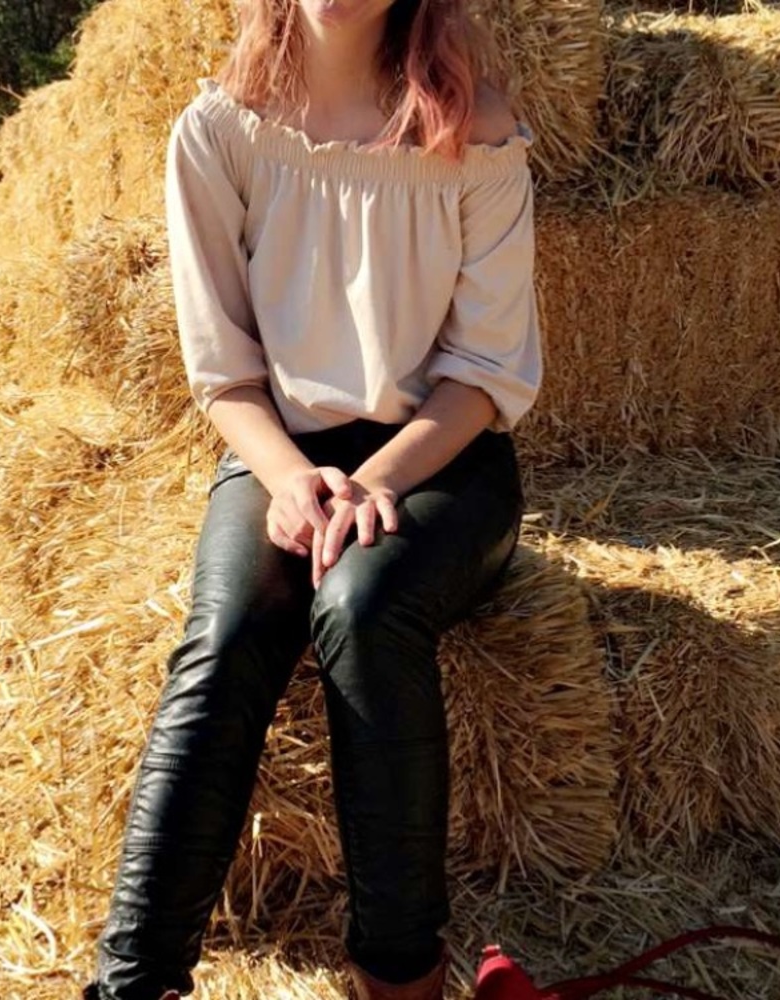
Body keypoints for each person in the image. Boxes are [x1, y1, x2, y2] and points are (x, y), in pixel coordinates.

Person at [85, 0, 540, 997]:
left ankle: (400, 972)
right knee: (230, 626)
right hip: (278, 447)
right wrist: (294, 482)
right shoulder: (217, 132)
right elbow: (223, 373)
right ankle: (133, 982)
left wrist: (372, 484)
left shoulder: (479, 131)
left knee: (363, 606)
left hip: (443, 456)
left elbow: (486, 370)